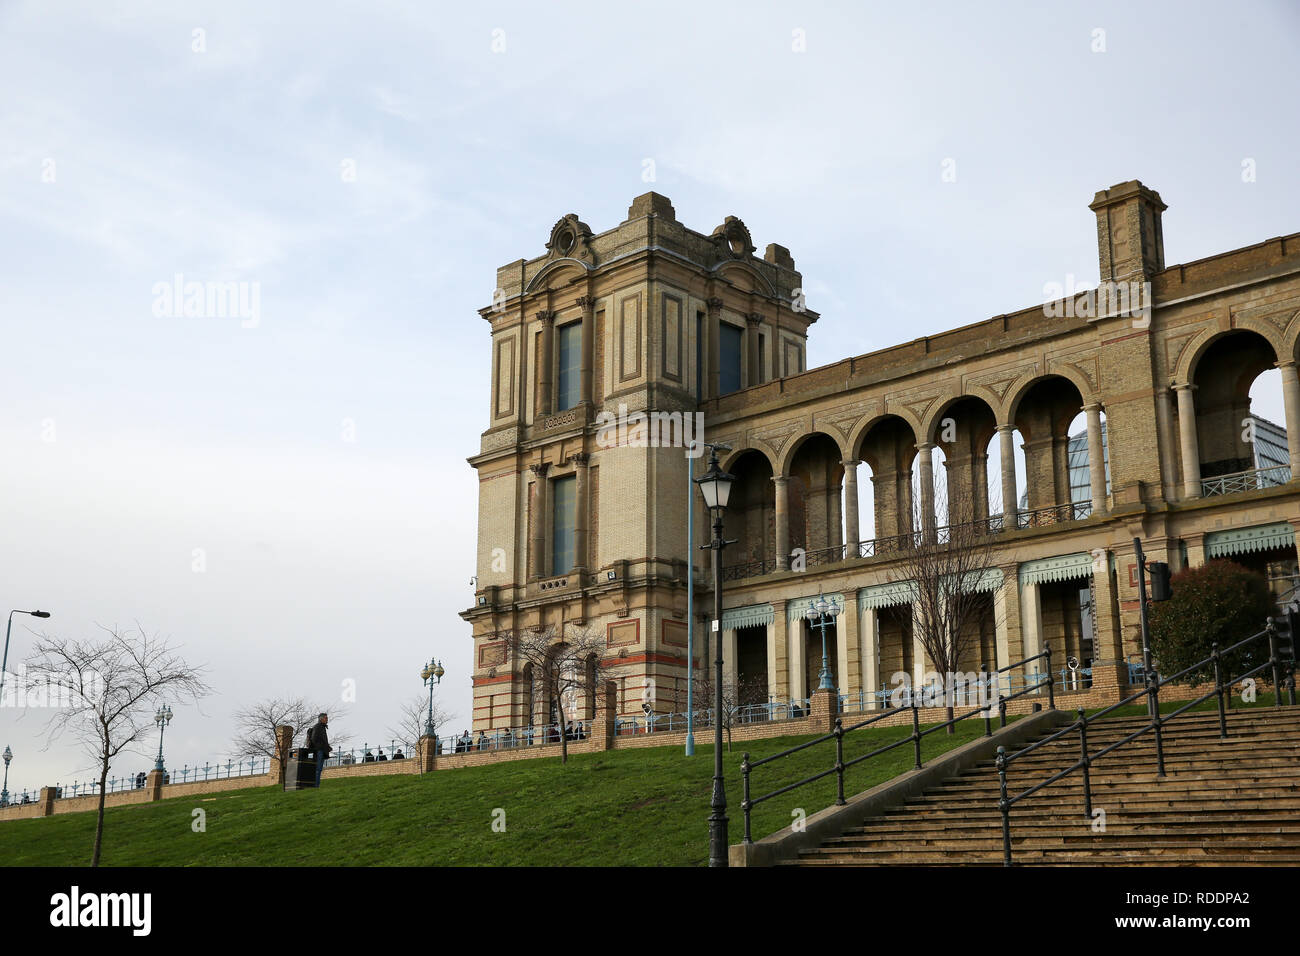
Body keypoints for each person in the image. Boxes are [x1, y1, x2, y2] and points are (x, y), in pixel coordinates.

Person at [305, 713, 332, 786]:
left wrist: (328, 747)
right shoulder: (318, 727)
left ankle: (316, 785)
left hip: (321, 750)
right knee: (317, 769)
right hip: (318, 751)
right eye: (326, 718)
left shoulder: (322, 727)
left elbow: (322, 740)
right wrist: (321, 747)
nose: (327, 719)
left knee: (319, 769)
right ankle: (315, 785)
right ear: (321, 719)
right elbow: (314, 739)